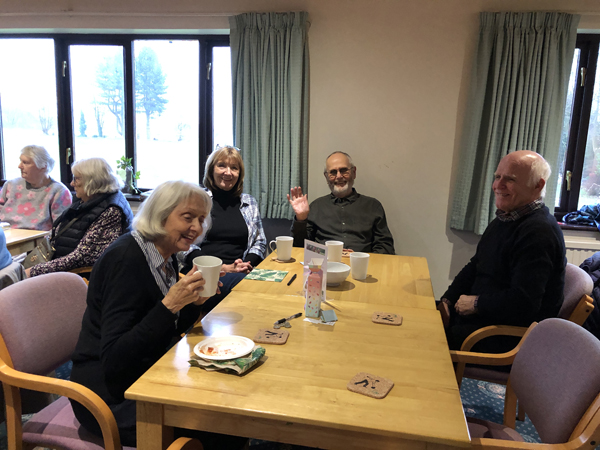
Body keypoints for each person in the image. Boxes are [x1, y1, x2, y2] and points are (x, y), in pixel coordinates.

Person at [69, 180, 247, 449]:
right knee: (221, 426)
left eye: (201, 219)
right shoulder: (126, 259)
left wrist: (192, 303)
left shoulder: (166, 253)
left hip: (147, 371)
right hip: (108, 396)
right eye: (188, 218)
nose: (197, 228)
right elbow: (115, 359)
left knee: (228, 401)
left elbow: (164, 328)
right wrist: (169, 306)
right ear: (160, 214)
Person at [440, 150, 566, 353]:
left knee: (425, 342)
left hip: (506, 337)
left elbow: (524, 303)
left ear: (538, 185)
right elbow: (475, 266)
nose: (498, 185)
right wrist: (447, 300)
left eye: (510, 179)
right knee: (424, 319)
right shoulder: (505, 218)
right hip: (482, 320)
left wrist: (477, 303)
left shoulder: (539, 233)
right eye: (497, 177)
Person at [180, 145, 266, 312]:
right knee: (247, 289)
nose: (228, 172)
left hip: (241, 271)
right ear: (211, 170)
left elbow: (260, 241)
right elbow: (185, 245)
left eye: (234, 168)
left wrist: (246, 264)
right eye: (222, 166)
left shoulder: (249, 202)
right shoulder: (198, 202)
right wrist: (221, 268)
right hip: (202, 274)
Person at [26, 158, 133, 277]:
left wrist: (35, 270)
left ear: (92, 181)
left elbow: (81, 258)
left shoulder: (111, 211)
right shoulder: (87, 199)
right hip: (59, 267)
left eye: (76, 179)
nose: (72, 183)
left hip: (75, 276)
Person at [287, 151, 395, 254]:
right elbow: (301, 248)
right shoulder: (316, 207)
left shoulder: (373, 206)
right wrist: (301, 219)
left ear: (354, 172)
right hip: (323, 268)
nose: (339, 176)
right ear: (326, 177)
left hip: (362, 268)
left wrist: (358, 257)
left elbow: (386, 248)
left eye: (343, 170)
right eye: (333, 172)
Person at [0, 145, 71, 230]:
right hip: (6, 235)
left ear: (43, 166)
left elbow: (61, 228)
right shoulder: (11, 184)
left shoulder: (59, 191)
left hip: (37, 239)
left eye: (25, 162)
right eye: (20, 161)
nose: (19, 166)